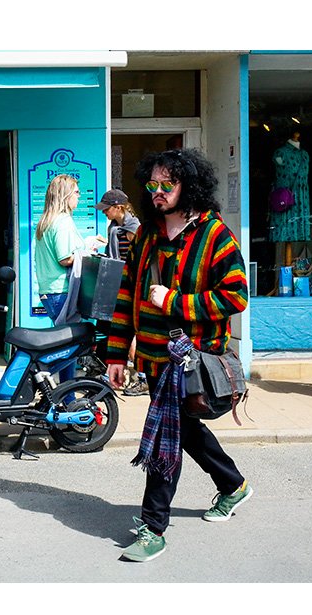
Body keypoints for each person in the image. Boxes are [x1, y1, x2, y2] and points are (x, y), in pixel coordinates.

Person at [103, 148, 251, 563]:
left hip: (191, 359)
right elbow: (126, 296)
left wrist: (175, 301)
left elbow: (236, 296)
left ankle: (153, 527)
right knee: (183, 431)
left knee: (167, 437)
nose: (158, 191)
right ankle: (233, 484)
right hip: (152, 360)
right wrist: (117, 354)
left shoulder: (215, 235)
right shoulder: (146, 234)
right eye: (152, 184)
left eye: (167, 184)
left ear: (190, 185)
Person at [33, 174, 87, 384]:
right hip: (62, 291)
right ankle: (49, 384)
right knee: (69, 348)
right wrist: (87, 255)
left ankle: (65, 394)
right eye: (76, 192)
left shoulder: (46, 221)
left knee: (65, 347)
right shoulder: (63, 221)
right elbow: (65, 258)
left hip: (49, 291)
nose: (79, 197)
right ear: (65, 196)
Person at [94, 188, 148, 397]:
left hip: (131, 286)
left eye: (106, 209)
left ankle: (141, 378)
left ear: (118, 207)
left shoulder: (133, 227)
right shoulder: (114, 226)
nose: (104, 212)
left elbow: (138, 258)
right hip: (118, 284)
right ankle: (121, 373)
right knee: (121, 329)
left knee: (130, 331)